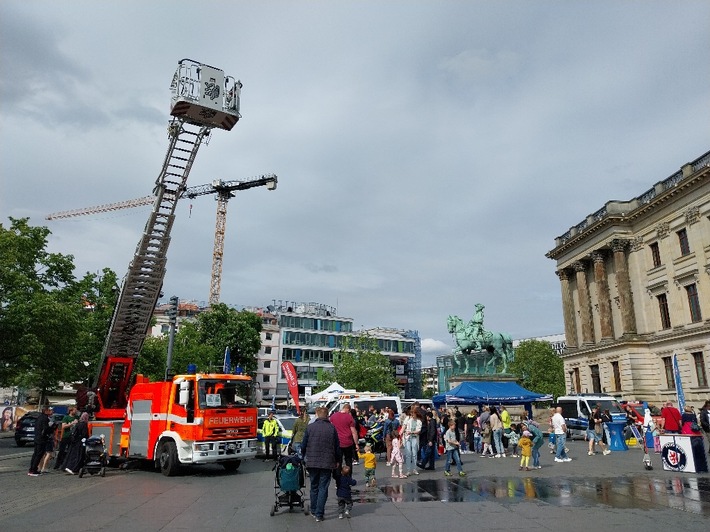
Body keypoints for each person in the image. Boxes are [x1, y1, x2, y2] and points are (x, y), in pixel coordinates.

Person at [301, 406, 341, 522]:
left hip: (312, 462)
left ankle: (314, 510)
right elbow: (337, 447)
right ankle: (319, 514)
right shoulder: (332, 428)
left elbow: (303, 445)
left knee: (314, 486)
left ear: (317, 415)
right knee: (323, 487)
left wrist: (303, 457)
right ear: (327, 415)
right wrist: (338, 460)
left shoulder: (310, 428)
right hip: (327, 462)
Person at [330, 403, 359, 468]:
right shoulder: (349, 417)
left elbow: (330, 428)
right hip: (347, 442)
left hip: (337, 442)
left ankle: (338, 475)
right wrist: (356, 444)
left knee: (338, 460)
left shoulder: (333, 416)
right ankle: (348, 475)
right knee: (348, 460)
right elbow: (354, 432)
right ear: (347, 409)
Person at [28, 405, 53, 476]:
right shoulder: (45, 418)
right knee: (39, 454)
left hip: (37, 437)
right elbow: (46, 429)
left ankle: (32, 469)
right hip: (41, 439)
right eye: (49, 410)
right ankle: (33, 470)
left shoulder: (39, 417)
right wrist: (52, 427)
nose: (51, 411)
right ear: (46, 411)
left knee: (35, 454)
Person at [54, 406, 79, 470]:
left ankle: (67, 464)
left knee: (71, 451)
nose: (76, 411)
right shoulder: (66, 417)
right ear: (71, 411)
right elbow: (63, 426)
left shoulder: (77, 417)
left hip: (73, 437)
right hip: (66, 436)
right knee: (62, 451)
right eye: (75, 410)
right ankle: (58, 465)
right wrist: (72, 423)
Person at [402, 408, 422, 476]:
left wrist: (411, 432)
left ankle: (414, 469)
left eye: (413, 414)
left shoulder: (419, 421)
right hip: (408, 438)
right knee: (408, 454)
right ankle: (408, 470)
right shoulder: (408, 420)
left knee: (414, 454)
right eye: (411, 414)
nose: (412, 416)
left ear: (416, 414)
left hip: (414, 438)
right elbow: (404, 427)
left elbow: (418, 431)